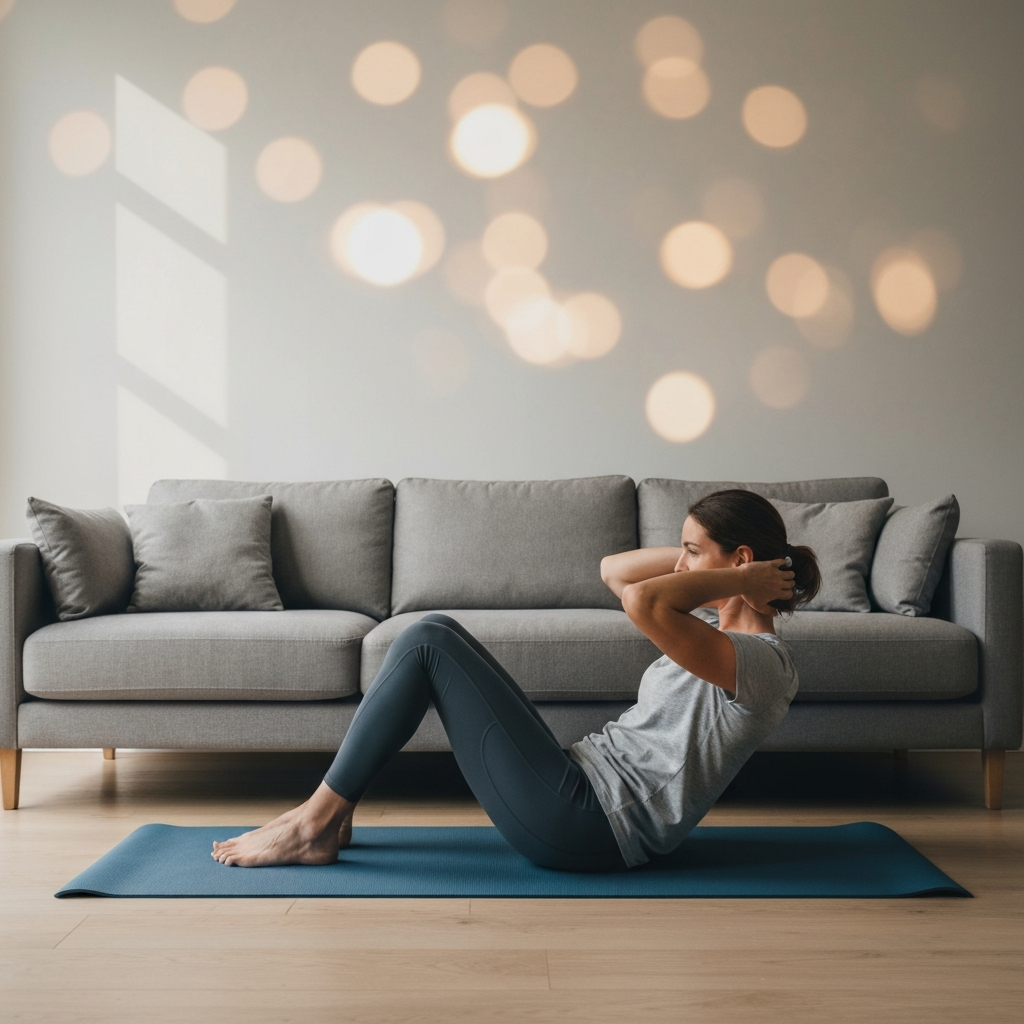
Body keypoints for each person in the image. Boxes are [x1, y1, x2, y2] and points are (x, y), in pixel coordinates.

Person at [211, 489, 821, 871]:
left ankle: (313, 822)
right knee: (435, 633)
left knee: (427, 640)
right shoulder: (718, 637)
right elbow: (615, 572)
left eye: (692, 550)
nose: (680, 564)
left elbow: (642, 603)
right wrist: (724, 568)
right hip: (579, 785)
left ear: (739, 561)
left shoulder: (762, 664)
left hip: (593, 826)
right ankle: (330, 815)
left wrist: (740, 579)